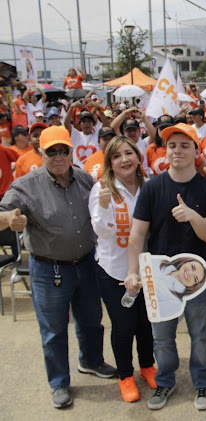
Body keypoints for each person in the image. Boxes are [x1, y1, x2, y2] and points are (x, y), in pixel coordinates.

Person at [0, 126, 116, 408]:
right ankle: (59, 382)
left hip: (86, 263)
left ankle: (91, 361)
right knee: (53, 330)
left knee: (91, 320)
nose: (58, 156)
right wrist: (9, 219)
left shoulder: (85, 178)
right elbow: (3, 213)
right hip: (48, 269)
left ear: (71, 152)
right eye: (52, 151)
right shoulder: (27, 184)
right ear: (41, 153)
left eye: (63, 150)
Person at [125, 123, 206, 411]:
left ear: (196, 151)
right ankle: (165, 380)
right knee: (162, 337)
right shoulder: (152, 188)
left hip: (198, 276)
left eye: (185, 145)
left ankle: (202, 382)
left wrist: (192, 216)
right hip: (160, 276)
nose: (177, 151)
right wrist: (133, 271)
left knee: (200, 333)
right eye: (172, 145)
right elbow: (137, 235)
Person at [88, 136, 156, 402]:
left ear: (138, 157)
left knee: (147, 323)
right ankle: (126, 375)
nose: (124, 160)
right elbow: (100, 231)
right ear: (109, 163)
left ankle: (147, 366)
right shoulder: (102, 189)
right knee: (124, 325)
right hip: (114, 269)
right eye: (117, 156)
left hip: (147, 268)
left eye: (129, 153)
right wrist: (105, 206)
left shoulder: (149, 185)